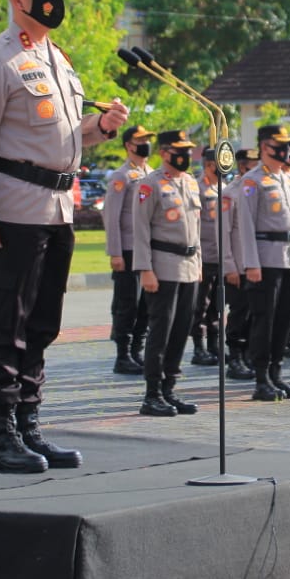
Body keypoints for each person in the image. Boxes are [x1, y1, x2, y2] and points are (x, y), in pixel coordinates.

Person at [0, 0, 129, 474]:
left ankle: (29, 424)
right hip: (13, 209)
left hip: (58, 209)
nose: (55, 3)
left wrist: (100, 125)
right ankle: (0, 433)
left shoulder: (58, 59)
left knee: (43, 323)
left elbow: (63, 137)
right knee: (9, 322)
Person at [133, 130, 203, 416]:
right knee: (161, 329)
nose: (185, 155)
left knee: (181, 329)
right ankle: (151, 394)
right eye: (179, 150)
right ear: (164, 153)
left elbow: (196, 229)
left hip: (189, 265)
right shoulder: (150, 185)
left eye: (188, 150)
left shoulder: (189, 182)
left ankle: (169, 389)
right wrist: (145, 270)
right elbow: (140, 230)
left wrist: (198, 263)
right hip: (163, 265)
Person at [236, 124, 290, 401]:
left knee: (285, 320)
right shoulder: (252, 181)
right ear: (265, 147)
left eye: (288, 145)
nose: (287, 150)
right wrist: (251, 263)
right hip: (265, 260)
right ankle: (261, 378)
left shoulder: (284, 178)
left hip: (288, 257)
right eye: (281, 144)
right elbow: (245, 225)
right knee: (264, 320)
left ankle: (277, 374)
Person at [104, 124, 155, 375]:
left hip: (148, 249)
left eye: (147, 139)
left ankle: (137, 350)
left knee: (146, 304)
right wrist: (114, 252)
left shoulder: (152, 173)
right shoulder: (121, 176)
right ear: (128, 145)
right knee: (128, 303)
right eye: (140, 140)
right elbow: (111, 216)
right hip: (127, 249)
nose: (146, 144)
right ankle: (122, 355)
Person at [221, 147, 259, 381]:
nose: (254, 168)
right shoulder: (230, 193)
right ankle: (234, 357)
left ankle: (248, 355)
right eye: (250, 164)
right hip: (238, 263)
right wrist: (229, 266)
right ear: (242, 165)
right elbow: (223, 233)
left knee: (255, 313)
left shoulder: (257, 190)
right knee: (239, 313)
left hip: (257, 263)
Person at [188, 147, 223, 366]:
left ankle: (214, 345)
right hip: (205, 255)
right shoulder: (197, 189)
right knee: (200, 304)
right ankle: (199, 349)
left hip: (221, 256)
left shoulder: (223, 189)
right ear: (209, 165)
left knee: (217, 305)